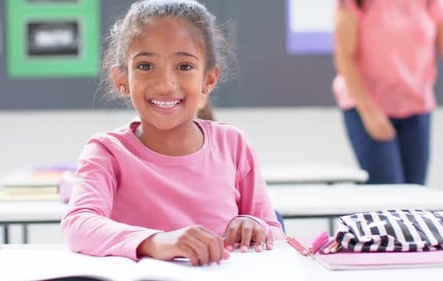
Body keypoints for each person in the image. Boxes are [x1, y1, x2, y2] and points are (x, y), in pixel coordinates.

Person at [60, 0, 285, 266]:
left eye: (184, 66)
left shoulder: (233, 144)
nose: (165, 84)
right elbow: (79, 224)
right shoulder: (107, 152)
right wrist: (156, 242)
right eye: (145, 66)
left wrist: (254, 225)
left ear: (208, 80)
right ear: (122, 80)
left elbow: (274, 232)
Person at [332, 0, 443, 185]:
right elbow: (345, 57)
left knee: (415, 196)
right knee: (387, 191)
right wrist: (369, 112)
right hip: (367, 107)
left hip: (417, 106)